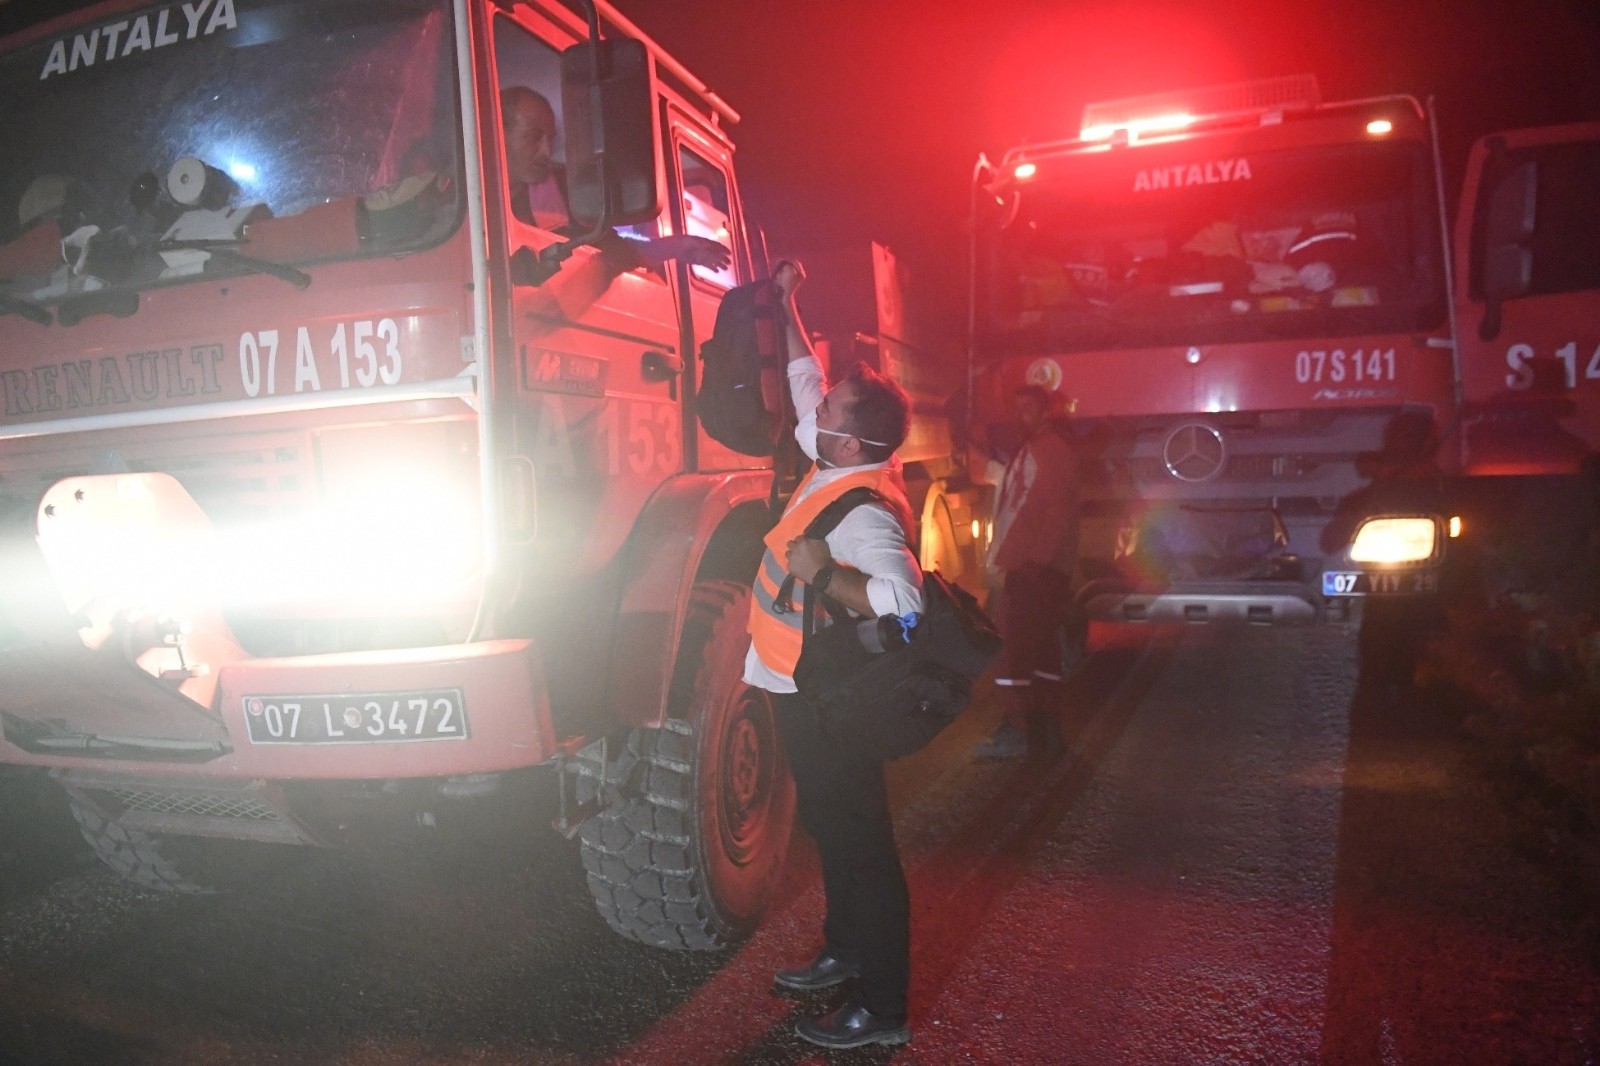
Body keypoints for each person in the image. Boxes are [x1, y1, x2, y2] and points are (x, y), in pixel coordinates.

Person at [746, 260, 921, 1050]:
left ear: (848, 439)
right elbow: (803, 376)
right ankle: (844, 951)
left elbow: (904, 601)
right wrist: (788, 305)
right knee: (830, 827)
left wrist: (833, 578)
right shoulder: (834, 461)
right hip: (794, 685)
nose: (815, 412)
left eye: (833, 413)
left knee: (860, 845)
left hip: (832, 703)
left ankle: (881, 1009)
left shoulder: (864, 514)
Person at [499, 86, 728, 275]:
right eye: (533, 137)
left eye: (550, 139)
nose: (546, 152)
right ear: (498, 131)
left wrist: (675, 247)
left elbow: (613, 248)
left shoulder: (565, 191)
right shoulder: (465, 194)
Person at [975, 383, 1083, 759]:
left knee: (1011, 652)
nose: (1019, 416)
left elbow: (1055, 514)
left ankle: (1018, 730)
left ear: (1045, 411)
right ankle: (1045, 729)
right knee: (1041, 654)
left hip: (1033, 570)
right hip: (1040, 570)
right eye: (1016, 408)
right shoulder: (1041, 449)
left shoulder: (1049, 452)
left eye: (1027, 409)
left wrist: (1033, 563)